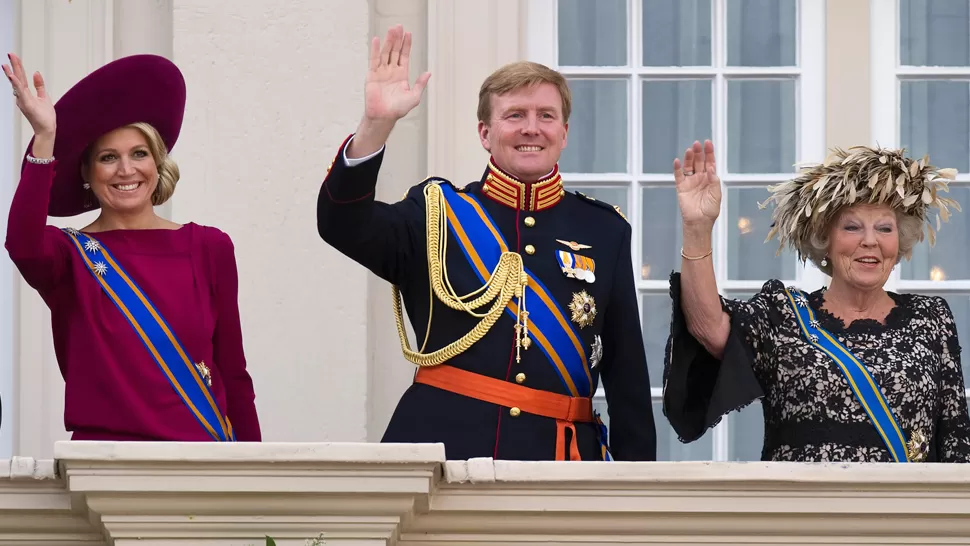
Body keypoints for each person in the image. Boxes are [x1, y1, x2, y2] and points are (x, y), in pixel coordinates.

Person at [316, 25, 656, 461]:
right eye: (515, 115)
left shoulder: (604, 231)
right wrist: (376, 126)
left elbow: (626, 376)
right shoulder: (436, 214)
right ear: (484, 133)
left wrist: (635, 493)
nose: (531, 128)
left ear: (564, 133)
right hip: (442, 455)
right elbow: (341, 222)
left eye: (546, 116)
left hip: (559, 465)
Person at [3, 52, 260, 442]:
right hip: (106, 466)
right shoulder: (70, 255)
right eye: (108, 158)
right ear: (87, 174)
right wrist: (45, 139)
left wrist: (252, 477)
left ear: (157, 163)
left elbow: (233, 372)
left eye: (139, 154)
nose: (126, 170)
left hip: (202, 461)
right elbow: (21, 244)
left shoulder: (209, 246)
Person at [663, 139, 970, 462]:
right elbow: (707, 326)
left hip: (904, 510)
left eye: (884, 228)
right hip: (803, 509)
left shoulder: (930, 317)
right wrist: (697, 228)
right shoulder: (784, 314)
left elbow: (956, 440)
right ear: (825, 240)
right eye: (852, 227)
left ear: (899, 241)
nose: (870, 241)